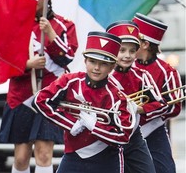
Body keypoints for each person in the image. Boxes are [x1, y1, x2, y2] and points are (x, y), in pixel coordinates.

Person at [0, 0, 78, 173]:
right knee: (21, 156)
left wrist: (50, 34)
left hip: (49, 95)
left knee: (43, 153)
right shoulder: (15, 26)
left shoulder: (64, 25)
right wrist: (27, 64)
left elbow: (67, 57)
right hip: (21, 96)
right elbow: (4, 63)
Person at [33, 31, 136, 173]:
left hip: (106, 159)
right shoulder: (70, 81)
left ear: (112, 67)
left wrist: (94, 126)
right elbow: (40, 101)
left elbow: (124, 136)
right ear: (85, 61)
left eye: (104, 64)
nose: (97, 68)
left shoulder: (116, 96)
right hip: (73, 155)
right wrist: (71, 123)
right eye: (92, 61)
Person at [106, 20, 169, 173]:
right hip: (107, 139)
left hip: (133, 138)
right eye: (122, 50)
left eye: (132, 51)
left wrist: (139, 109)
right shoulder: (102, 75)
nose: (127, 56)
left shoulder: (141, 76)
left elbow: (162, 104)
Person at [132, 13, 183, 173]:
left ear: (145, 44)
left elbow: (174, 108)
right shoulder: (126, 67)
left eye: (135, 40)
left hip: (154, 130)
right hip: (127, 131)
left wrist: (144, 109)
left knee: (163, 170)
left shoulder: (167, 71)